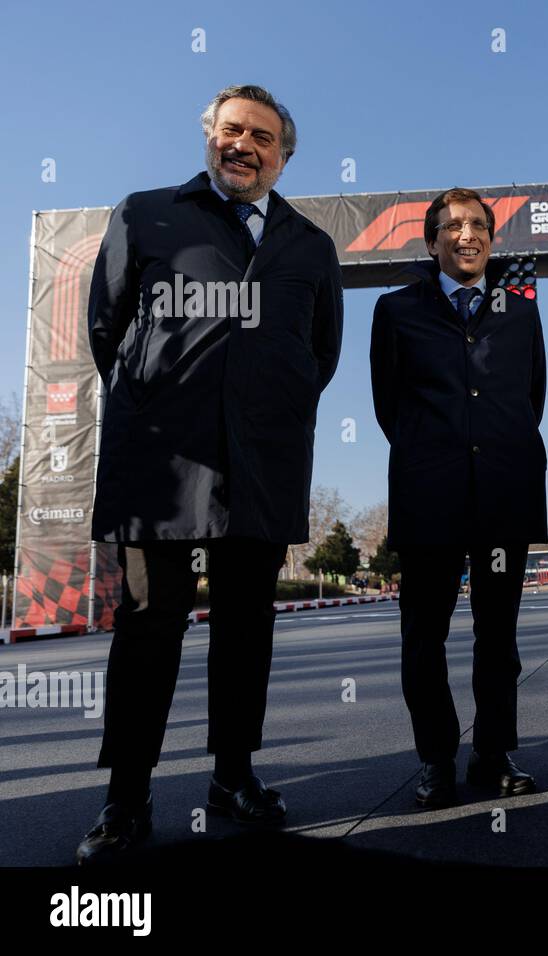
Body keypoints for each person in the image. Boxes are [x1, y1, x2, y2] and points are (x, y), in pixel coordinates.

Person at [77, 84, 344, 864]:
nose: (244, 145)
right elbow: (108, 328)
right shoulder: (146, 212)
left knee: (245, 632)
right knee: (147, 631)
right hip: (161, 467)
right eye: (231, 130)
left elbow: (318, 354)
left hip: (263, 464)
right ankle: (125, 799)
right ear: (209, 138)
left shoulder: (311, 245)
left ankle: (234, 777)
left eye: (262, 137)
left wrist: (268, 400)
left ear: (283, 156)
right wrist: (166, 397)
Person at [371, 188, 547, 809]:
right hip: (429, 498)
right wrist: (438, 454)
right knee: (425, 638)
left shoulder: (521, 311)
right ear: (431, 241)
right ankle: (436, 759)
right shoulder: (395, 311)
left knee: (498, 637)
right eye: (452, 226)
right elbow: (388, 407)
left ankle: (493, 755)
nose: (465, 234)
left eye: (477, 225)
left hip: (503, 493)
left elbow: (532, 399)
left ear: (491, 240)